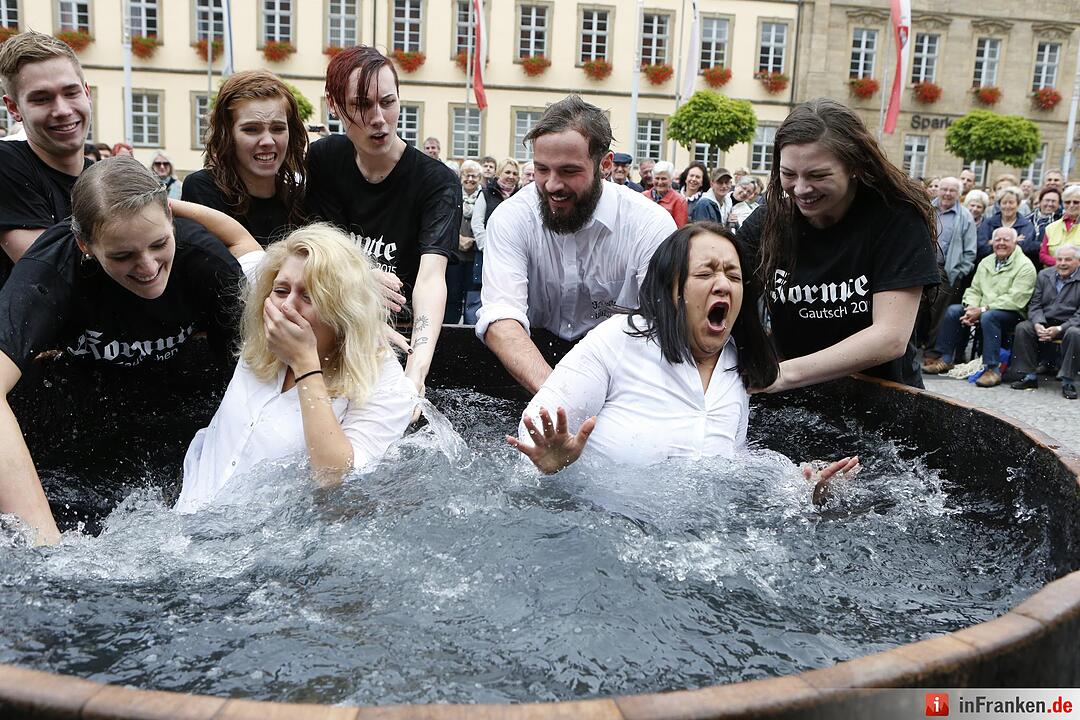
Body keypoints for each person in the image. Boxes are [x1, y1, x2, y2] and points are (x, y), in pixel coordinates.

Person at [508, 223, 858, 503]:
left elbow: (728, 475)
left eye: (734, 277)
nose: (723, 284)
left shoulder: (738, 366)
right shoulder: (618, 340)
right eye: (706, 274)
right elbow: (533, 433)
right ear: (673, 289)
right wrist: (554, 469)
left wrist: (803, 494)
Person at [0, 156, 246, 544]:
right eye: (122, 255)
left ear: (169, 215)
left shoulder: (204, 261)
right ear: (85, 244)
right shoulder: (50, 270)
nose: (147, 267)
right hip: (80, 419)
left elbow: (261, 375)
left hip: (182, 408)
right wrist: (46, 549)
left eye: (159, 244)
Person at [175, 223, 418, 512]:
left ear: (343, 309)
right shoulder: (265, 316)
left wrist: (305, 364)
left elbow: (335, 481)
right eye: (281, 290)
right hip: (184, 520)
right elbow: (239, 239)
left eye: (309, 297)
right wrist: (162, 205)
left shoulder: (384, 382)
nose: (287, 306)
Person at [475, 95, 675, 394]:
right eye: (542, 169)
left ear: (605, 164)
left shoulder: (649, 224)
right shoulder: (511, 217)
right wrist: (559, 399)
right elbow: (501, 318)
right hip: (533, 363)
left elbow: (664, 328)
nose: (553, 185)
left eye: (569, 171)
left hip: (625, 369)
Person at [739, 98, 939, 390]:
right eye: (788, 174)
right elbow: (725, 290)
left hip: (883, 398)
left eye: (818, 176)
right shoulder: (769, 221)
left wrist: (782, 375)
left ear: (854, 166)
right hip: (797, 400)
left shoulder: (896, 219)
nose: (802, 189)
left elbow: (890, 337)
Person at [307, 45, 460, 395]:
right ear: (334, 105)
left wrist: (416, 372)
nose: (378, 118)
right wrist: (357, 279)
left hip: (403, 330)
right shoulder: (324, 160)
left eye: (388, 102)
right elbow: (314, 252)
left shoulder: (436, 181)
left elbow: (431, 278)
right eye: (361, 105)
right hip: (336, 321)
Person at [181, 69, 307, 247]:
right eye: (251, 129)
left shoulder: (300, 198)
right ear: (227, 135)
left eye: (278, 128)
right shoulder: (203, 189)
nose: (267, 141)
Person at [0, 31, 92, 266]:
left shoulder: (102, 176)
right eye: (41, 99)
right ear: (13, 108)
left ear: (86, 92)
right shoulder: (7, 164)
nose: (62, 110)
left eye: (71, 92)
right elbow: (52, 269)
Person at [922, 227, 1036, 387]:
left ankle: (993, 369)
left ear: (1015, 242)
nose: (1001, 243)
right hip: (983, 310)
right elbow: (974, 289)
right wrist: (970, 307)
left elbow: (1016, 299)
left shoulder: (1025, 266)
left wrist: (982, 310)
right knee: (954, 311)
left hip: (1013, 313)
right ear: (992, 242)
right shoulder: (986, 261)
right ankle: (946, 359)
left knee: (990, 316)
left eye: (1006, 240)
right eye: (998, 240)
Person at [1009, 245, 1080, 399]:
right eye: (1059, 259)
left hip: (1069, 324)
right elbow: (1035, 304)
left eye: (1068, 259)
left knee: (1075, 333)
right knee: (1023, 328)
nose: (1062, 263)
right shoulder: (1044, 275)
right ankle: (1030, 377)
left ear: (1078, 262)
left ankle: (1068, 381)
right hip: (1045, 320)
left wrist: (1060, 328)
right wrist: (1038, 323)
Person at [919, 177, 976, 356]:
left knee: (938, 315)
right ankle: (908, 351)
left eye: (952, 190)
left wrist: (958, 272)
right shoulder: (926, 209)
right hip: (921, 268)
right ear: (938, 190)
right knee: (916, 311)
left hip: (946, 271)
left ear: (959, 194)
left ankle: (931, 353)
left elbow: (970, 251)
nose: (947, 194)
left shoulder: (965, 216)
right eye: (944, 189)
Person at [469, 157, 520, 324]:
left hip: (511, 256)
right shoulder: (485, 194)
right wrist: (486, 246)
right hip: (486, 254)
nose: (511, 176)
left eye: (514, 173)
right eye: (507, 172)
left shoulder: (520, 196)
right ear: (499, 174)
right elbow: (477, 223)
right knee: (478, 294)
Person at [444, 159, 482, 324]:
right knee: (452, 295)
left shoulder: (484, 196)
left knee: (473, 299)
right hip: (455, 254)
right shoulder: (453, 194)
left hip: (475, 255)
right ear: (461, 177)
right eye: (467, 175)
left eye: (474, 176)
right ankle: (450, 328)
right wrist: (457, 239)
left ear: (479, 178)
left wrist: (473, 240)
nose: (470, 179)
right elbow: (446, 220)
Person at [976, 186, 1036, 262]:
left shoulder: (1026, 225)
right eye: (1004, 203)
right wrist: (1014, 241)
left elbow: (1024, 248)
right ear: (999, 205)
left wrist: (992, 242)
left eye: (1011, 202)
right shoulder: (988, 223)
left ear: (1018, 204)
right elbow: (981, 248)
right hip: (989, 263)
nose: (1007, 206)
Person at [1040, 185, 1080, 267]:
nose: (1071, 205)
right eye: (1067, 202)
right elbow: (1043, 255)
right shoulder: (1051, 227)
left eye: (1076, 202)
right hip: (1053, 274)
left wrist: (1069, 265)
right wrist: (1060, 263)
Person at [643, 161, 688, 227]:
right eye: (657, 178)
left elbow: (680, 230)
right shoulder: (643, 197)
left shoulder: (679, 201)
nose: (660, 182)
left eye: (663, 179)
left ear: (671, 180)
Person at [1027, 186, 1062, 264]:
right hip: (1029, 261)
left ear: (1059, 204)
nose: (1050, 204)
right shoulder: (1027, 220)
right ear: (1040, 201)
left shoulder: (1061, 220)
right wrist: (1043, 245)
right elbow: (1024, 244)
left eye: (1053, 201)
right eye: (1047, 200)